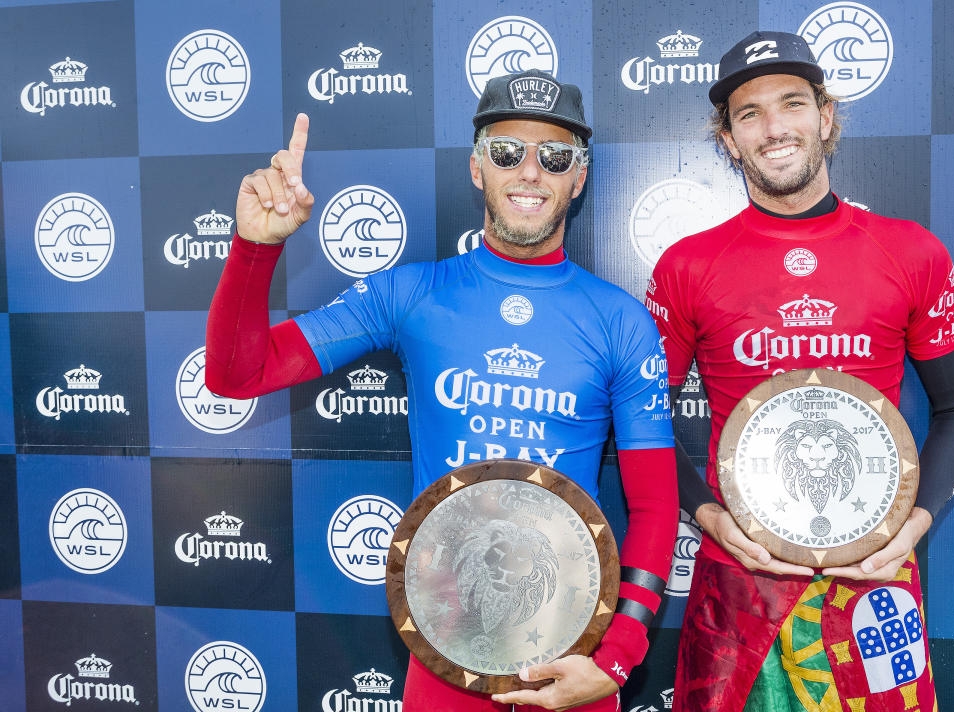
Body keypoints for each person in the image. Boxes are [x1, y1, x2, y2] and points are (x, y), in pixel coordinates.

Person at [205, 69, 678, 712]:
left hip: (576, 663)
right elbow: (237, 375)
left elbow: (654, 510)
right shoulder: (411, 294)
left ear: (580, 176)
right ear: (478, 168)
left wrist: (618, 660)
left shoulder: (621, 321)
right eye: (508, 152)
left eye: (555, 156)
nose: (531, 173)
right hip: (447, 652)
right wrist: (254, 250)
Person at [645, 31, 954, 711]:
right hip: (741, 585)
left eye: (792, 103)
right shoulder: (687, 266)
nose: (774, 127)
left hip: (874, 584)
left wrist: (910, 530)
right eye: (749, 114)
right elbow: (641, 423)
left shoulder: (910, 252)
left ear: (826, 117)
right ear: (729, 140)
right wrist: (710, 518)